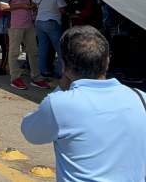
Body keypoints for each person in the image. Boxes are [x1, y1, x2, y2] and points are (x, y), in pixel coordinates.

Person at [21, 26, 146, 181]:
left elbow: (31, 133)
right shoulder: (140, 98)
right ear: (107, 60)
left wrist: (61, 86)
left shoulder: (60, 104)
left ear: (64, 65)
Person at [6, 0, 51, 90]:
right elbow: (2, 7)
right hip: (15, 25)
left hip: (29, 24)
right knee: (14, 52)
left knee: (33, 51)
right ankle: (15, 78)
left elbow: (29, 2)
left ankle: (36, 77)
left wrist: (32, 7)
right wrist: (22, 6)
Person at [33, 0, 67, 78]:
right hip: (52, 22)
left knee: (43, 48)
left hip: (39, 22)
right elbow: (62, 9)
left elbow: (34, 4)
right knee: (60, 49)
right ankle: (60, 71)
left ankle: (43, 71)